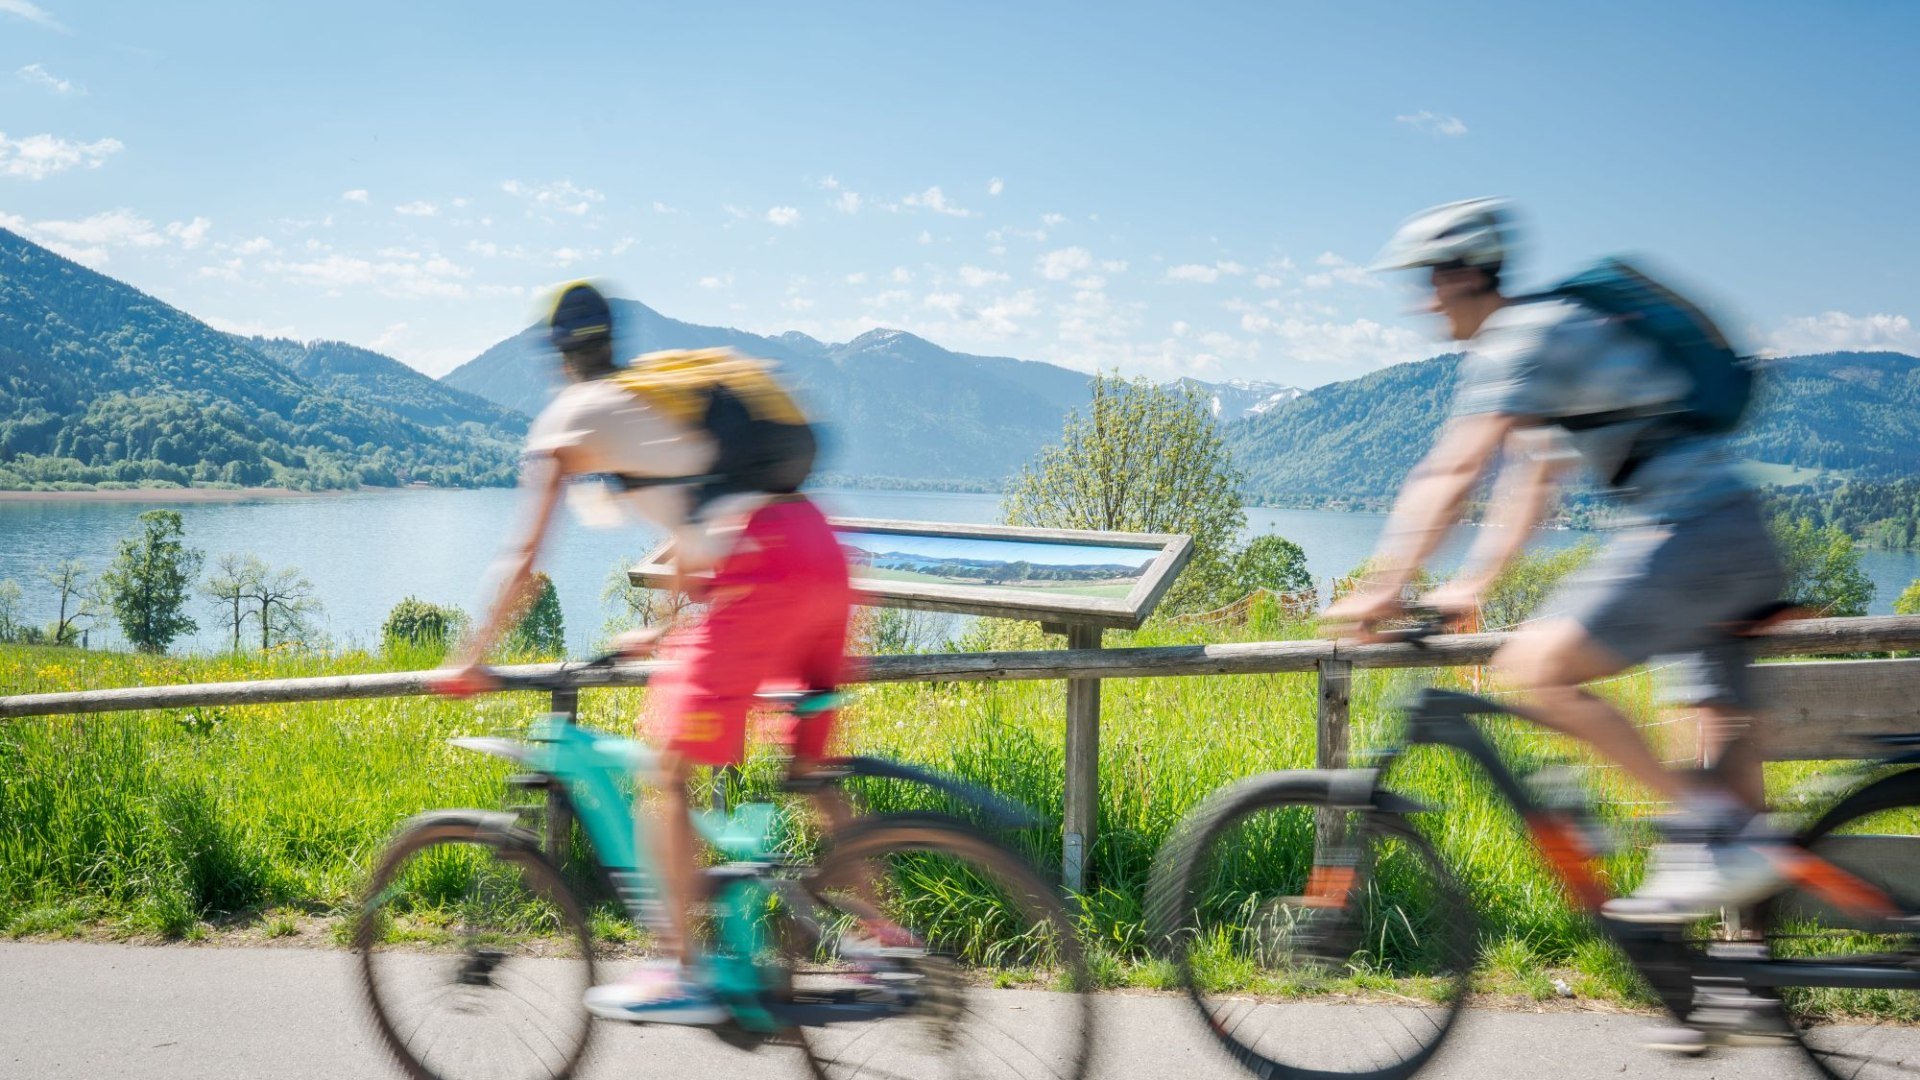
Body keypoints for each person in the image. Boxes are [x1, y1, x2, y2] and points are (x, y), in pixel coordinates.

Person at [1323, 198, 1789, 929]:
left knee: (1534, 669)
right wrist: (1472, 583)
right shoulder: (1554, 335)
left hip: (1693, 530)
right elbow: (1530, 482)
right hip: (1727, 534)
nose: (1423, 299)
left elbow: (1455, 471)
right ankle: (1745, 981)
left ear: (1467, 273)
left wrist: (1380, 589)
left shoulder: (1519, 337)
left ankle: (1713, 835)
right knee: (1714, 734)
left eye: (1431, 279)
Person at [431, 281, 865, 1024]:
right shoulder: (663, 403)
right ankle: (884, 947)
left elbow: (526, 554)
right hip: (822, 551)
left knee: (667, 771)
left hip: (763, 570)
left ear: (559, 357)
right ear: (612, 338)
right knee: (810, 773)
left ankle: (681, 968)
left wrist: (471, 656)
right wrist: (662, 633)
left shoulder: (575, 415)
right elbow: (701, 539)